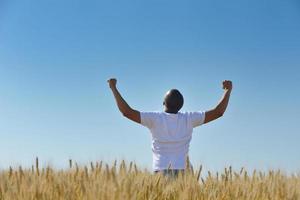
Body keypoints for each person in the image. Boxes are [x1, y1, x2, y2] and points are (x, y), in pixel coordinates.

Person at [107, 78, 232, 176]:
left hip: (161, 171)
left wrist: (113, 88)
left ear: (163, 103)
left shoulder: (154, 119)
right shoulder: (189, 118)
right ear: (181, 105)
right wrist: (228, 90)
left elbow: (127, 112)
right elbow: (218, 112)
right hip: (184, 171)